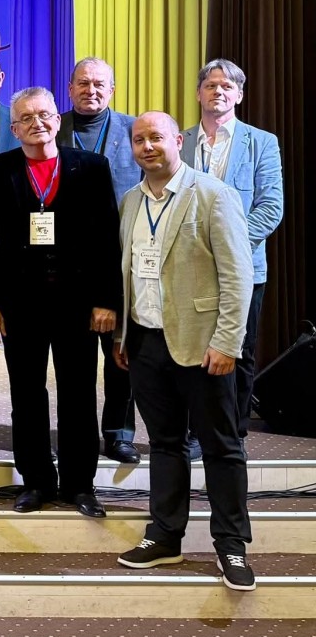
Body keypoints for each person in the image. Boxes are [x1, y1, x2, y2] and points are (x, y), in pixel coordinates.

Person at [114, 112, 255, 590]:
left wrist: (227, 341)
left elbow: (238, 275)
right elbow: (129, 272)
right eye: (139, 139)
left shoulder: (213, 195)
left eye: (156, 137)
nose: (147, 146)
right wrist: (123, 336)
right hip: (146, 341)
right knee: (165, 444)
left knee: (221, 446)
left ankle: (231, 545)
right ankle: (165, 535)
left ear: (178, 140)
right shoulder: (131, 200)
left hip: (204, 344)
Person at [0, 87, 120, 517]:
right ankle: (36, 481)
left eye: (44, 115)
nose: (36, 123)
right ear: (14, 127)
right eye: (26, 117)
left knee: (79, 394)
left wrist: (107, 300)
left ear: (58, 121)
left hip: (79, 304)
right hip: (20, 304)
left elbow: (107, 237)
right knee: (26, 395)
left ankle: (80, 484)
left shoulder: (92, 166)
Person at [179, 60, 283, 442]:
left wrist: (227, 248)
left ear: (239, 95)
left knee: (239, 352)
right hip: (187, 268)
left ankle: (233, 436)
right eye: (211, 85)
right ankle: (195, 434)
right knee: (191, 351)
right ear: (198, 93)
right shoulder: (180, 141)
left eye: (227, 86)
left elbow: (271, 207)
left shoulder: (262, 143)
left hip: (243, 268)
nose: (218, 92)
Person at [58, 56, 142, 465]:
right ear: (70, 88)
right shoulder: (52, 127)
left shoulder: (134, 130)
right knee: (74, 360)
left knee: (121, 353)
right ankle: (80, 435)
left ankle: (119, 432)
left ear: (111, 90)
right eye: (83, 83)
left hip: (122, 259)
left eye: (99, 84)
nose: (90, 90)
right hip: (67, 264)